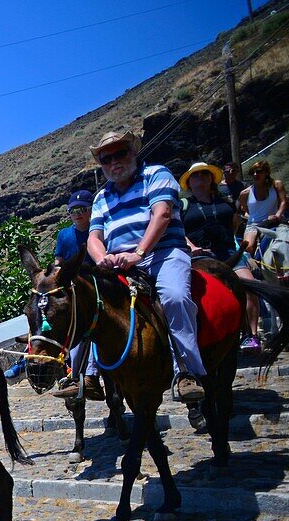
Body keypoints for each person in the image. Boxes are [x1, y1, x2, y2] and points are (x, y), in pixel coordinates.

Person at [84, 131, 206, 403]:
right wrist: (103, 257)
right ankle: (85, 376)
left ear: (133, 152)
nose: (114, 162)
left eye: (120, 154)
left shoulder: (156, 174)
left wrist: (139, 253)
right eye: (107, 158)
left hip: (162, 253)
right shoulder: (101, 196)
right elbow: (94, 237)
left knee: (174, 297)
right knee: (85, 302)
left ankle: (188, 371)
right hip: (119, 263)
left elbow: (161, 214)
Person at [179, 161, 261, 352]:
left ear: (211, 179)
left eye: (205, 174)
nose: (201, 178)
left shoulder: (226, 202)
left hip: (228, 252)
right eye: (196, 175)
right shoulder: (183, 206)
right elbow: (178, 230)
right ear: (189, 182)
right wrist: (191, 246)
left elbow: (234, 224)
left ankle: (252, 335)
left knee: (249, 285)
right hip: (200, 255)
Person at [50, 189, 105, 400]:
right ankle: (75, 375)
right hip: (75, 289)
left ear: (91, 210)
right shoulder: (64, 235)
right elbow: (59, 262)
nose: (78, 214)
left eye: (82, 209)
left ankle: (90, 375)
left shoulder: (99, 230)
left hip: (99, 286)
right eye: (73, 210)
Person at [238, 158, 288, 261]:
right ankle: (253, 270)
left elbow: (283, 202)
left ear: (266, 172)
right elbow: (245, 209)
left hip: (275, 220)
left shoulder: (276, 185)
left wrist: (277, 215)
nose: (255, 174)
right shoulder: (245, 194)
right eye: (253, 172)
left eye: (259, 171)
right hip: (255, 225)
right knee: (248, 247)